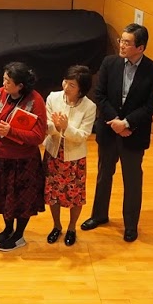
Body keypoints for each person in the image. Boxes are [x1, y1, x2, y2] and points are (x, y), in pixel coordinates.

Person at [83, 24, 153, 243]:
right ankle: (99, 215)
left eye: (127, 43)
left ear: (140, 48)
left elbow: (151, 105)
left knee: (132, 181)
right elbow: (99, 94)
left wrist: (127, 123)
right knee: (104, 175)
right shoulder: (109, 63)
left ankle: (130, 225)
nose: (121, 45)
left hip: (134, 134)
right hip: (109, 130)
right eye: (121, 40)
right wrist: (116, 123)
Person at [0, 62, 48, 252]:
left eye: (8, 81)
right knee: (3, 197)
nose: (4, 84)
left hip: (23, 161)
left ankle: (19, 235)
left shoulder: (35, 101)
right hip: (0, 157)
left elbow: (38, 136)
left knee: (22, 200)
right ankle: (8, 228)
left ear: (20, 86)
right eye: (4, 79)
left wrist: (10, 131)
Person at [44, 64, 97, 246]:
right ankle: (56, 226)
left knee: (75, 196)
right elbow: (47, 126)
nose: (66, 87)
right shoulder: (53, 97)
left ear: (81, 89)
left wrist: (66, 127)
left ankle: (72, 227)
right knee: (52, 193)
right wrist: (55, 127)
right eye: (65, 82)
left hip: (74, 158)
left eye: (72, 85)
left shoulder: (89, 107)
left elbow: (83, 135)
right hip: (53, 153)